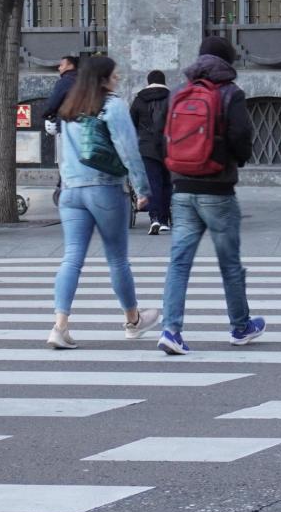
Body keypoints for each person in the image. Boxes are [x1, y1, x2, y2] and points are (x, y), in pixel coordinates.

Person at [155, 37, 259, 356]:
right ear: (228, 61)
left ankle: (171, 330)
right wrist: (234, 160)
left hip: (183, 188)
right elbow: (242, 136)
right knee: (229, 263)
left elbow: (162, 135)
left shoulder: (178, 92)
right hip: (218, 188)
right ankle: (240, 326)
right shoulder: (231, 92)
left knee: (179, 262)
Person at [47, 56, 159, 349]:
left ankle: (59, 326)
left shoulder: (68, 109)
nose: (118, 79)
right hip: (105, 188)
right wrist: (142, 188)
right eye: (115, 75)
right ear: (102, 79)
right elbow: (128, 149)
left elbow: (63, 153)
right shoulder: (112, 106)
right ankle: (133, 321)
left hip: (71, 190)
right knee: (117, 258)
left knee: (71, 258)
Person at [130, 69, 173, 234]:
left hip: (147, 148)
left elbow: (131, 125)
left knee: (153, 183)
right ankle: (164, 220)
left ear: (148, 82)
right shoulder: (172, 98)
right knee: (167, 183)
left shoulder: (139, 100)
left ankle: (154, 218)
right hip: (169, 147)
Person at [42, 55, 79, 130]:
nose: (59, 68)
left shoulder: (65, 81)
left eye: (61, 65)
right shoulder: (84, 80)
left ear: (70, 65)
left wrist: (45, 114)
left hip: (67, 123)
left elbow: (53, 103)